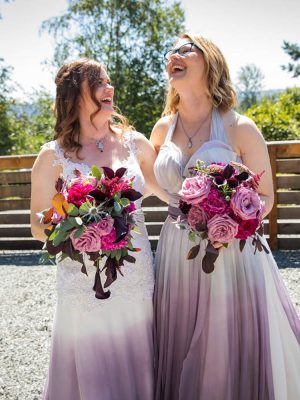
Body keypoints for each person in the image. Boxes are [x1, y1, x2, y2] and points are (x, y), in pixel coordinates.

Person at [151, 33, 300, 400]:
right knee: (180, 331)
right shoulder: (160, 129)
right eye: (172, 51)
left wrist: (233, 219)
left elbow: (265, 197)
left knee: (225, 339)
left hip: (232, 251)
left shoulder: (240, 127)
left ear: (211, 63)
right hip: (176, 248)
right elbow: (153, 183)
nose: (175, 55)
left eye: (187, 49)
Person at [31, 58, 167, 400]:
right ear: (76, 95)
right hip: (83, 278)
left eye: (109, 82)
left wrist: (210, 201)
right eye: (101, 84)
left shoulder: (136, 144)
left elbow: (166, 192)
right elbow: (36, 223)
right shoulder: (53, 156)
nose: (111, 89)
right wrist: (73, 224)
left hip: (136, 274)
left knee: (139, 350)